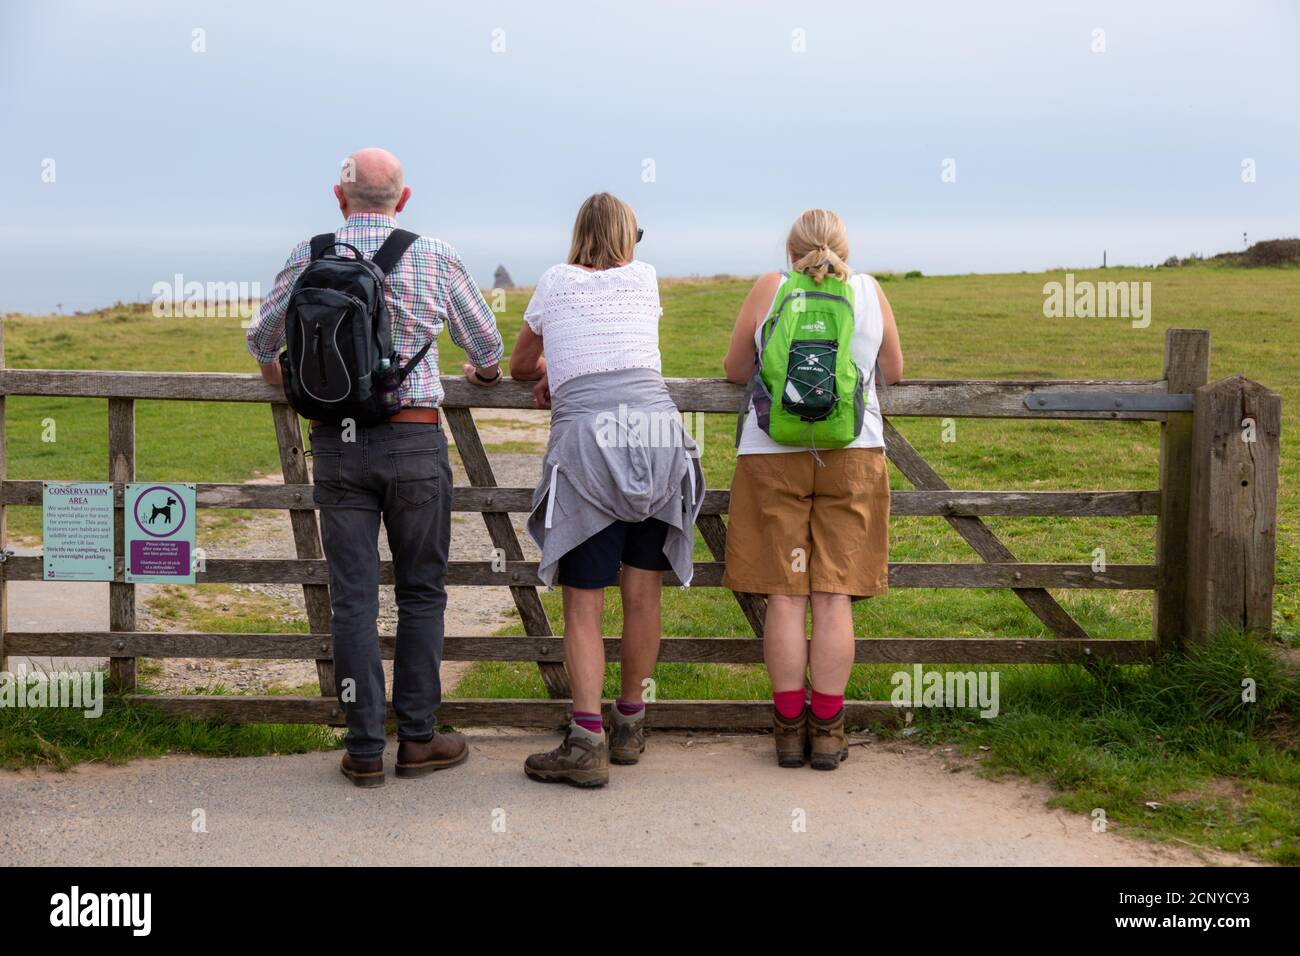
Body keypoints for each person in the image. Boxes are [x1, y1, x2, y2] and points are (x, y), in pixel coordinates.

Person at [245, 148, 505, 787]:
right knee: (422, 592)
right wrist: (484, 374)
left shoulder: (311, 253)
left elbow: (261, 339)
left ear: (341, 200)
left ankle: (364, 749)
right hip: (415, 442)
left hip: (336, 443)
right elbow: (488, 346)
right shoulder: (435, 254)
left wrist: (295, 389)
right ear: (404, 199)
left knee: (353, 598)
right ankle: (418, 740)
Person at [510, 192, 703, 788]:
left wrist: (551, 372)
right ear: (628, 238)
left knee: (583, 602)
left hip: (588, 444)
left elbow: (520, 366)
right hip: (657, 434)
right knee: (643, 594)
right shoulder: (644, 278)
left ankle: (585, 740)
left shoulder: (553, 282)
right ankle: (630, 726)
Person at [722, 209, 903, 770]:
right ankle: (827, 731)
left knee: (785, 594)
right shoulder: (869, 290)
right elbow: (892, 371)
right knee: (833, 595)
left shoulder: (770, 288)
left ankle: (786, 733)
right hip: (853, 452)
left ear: (790, 249)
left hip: (771, 454)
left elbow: (733, 369)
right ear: (844, 249)